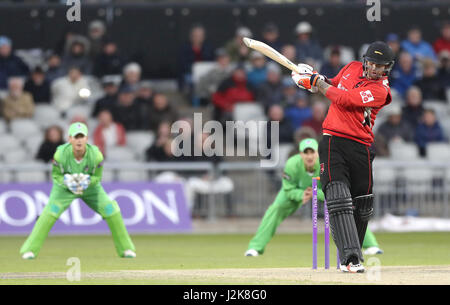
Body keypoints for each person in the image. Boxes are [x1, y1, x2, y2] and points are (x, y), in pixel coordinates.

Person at [291, 41, 395, 272]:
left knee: (363, 204)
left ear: (387, 68)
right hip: (333, 141)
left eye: (381, 66)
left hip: (361, 146)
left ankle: (349, 256)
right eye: (372, 64)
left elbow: (345, 99)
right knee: (338, 197)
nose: (376, 69)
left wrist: (317, 83)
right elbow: (334, 85)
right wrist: (311, 79)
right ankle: (351, 258)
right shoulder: (351, 67)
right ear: (365, 61)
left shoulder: (381, 91)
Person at [245, 139, 382, 257]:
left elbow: (331, 185)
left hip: (323, 190)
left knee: (346, 209)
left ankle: (370, 245)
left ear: (318, 152)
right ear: (300, 154)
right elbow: (288, 188)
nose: (309, 156)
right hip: (297, 191)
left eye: (312, 152)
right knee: (275, 209)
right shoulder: (292, 164)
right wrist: (301, 195)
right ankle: (255, 248)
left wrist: (316, 193)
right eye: (306, 152)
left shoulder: (325, 163)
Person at [20, 122, 136, 259]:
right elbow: (56, 176)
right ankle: (29, 250)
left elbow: (97, 178)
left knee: (112, 210)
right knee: (49, 213)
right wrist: (67, 181)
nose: (79, 140)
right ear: (70, 139)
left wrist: (86, 181)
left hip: (90, 188)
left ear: (87, 139)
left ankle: (126, 249)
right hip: (65, 189)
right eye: (76, 137)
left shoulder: (96, 156)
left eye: (82, 137)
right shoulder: (60, 154)